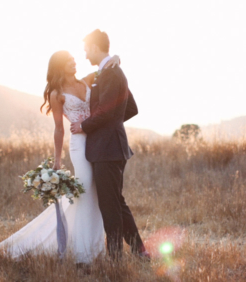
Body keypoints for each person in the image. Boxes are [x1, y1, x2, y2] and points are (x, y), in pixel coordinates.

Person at [0, 51, 120, 264]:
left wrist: (117, 57)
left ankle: (94, 248)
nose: (74, 63)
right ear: (60, 66)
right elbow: (59, 129)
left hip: (98, 141)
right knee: (85, 188)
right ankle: (81, 252)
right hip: (79, 144)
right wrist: (57, 161)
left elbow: (106, 67)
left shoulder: (88, 80)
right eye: (69, 61)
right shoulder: (56, 93)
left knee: (97, 192)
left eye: (74, 60)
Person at [70, 29, 149, 260]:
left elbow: (107, 110)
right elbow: (129, 108)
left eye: (86, 49)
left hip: (108, 149)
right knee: (116, 202)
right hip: (110, 146)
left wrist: (86, 125)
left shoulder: (112, 73)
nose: (85, 55)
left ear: (95, 47)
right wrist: (110, 120)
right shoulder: (106, 72)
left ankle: (115, 260)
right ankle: (140, 252)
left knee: (109, 206)